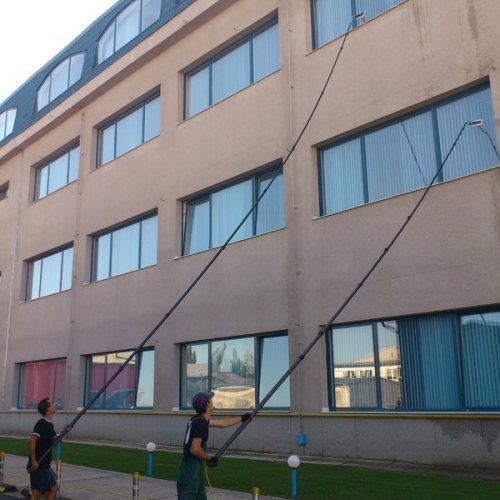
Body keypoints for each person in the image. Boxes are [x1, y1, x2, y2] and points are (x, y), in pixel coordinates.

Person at [177, 391, 252, 500]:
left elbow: (222, 423)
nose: (212, 401)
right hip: (190, 474)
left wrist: (243, 418)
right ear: (208, 404)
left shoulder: (197, 420)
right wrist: (209, 459)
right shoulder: (201, 423)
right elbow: (195, 449)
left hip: (193, 472)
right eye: (211, 399)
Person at [26, 398, 70, 500]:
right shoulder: (42, 423)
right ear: (48, 409)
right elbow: (32, 439)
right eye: (51, 404)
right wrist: (34, 461)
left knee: (37, 491)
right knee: (53, 488)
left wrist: (65, 431)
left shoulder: (49, 424)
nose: (54, 404)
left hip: (40, 463)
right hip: (40, 464)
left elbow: (53, 440)